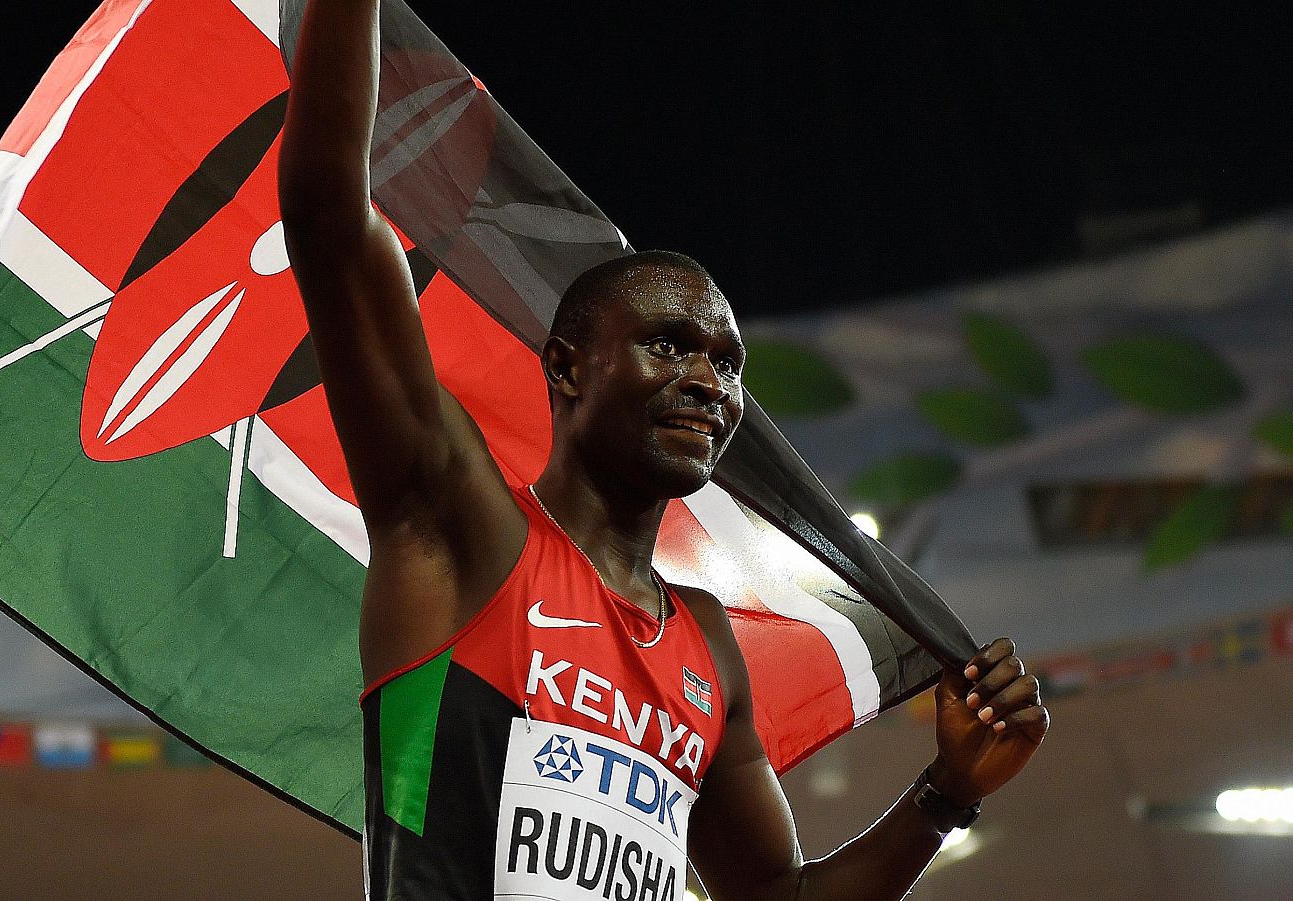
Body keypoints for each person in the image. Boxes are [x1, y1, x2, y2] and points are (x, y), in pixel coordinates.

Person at [278, 2, 1050, 897]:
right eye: (670, 345)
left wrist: (948, 792)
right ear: (566, 367)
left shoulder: (705, 646)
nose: (710, 383)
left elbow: (770, 895)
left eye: (727, 363)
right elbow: (332, 220)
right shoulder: (458, 527)